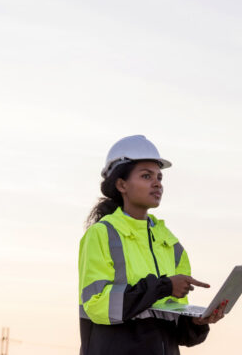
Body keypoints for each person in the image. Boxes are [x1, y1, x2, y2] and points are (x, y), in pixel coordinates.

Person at [79, 135, 227, 355]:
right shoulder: (102, 234)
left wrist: (196, 322)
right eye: (146, 176)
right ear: (121, 184)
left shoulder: (171, 244)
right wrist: (164, 287)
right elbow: (98, 306)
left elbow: (173, 326)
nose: (157, 183)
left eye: (159, 177)